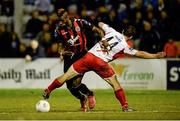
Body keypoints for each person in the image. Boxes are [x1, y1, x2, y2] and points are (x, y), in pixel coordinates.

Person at [43, 22, 166, 112]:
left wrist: (103, 34)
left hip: (88, 57)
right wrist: (155, 55)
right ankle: (125, 107)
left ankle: (48, 90)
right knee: (115, 84)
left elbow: (101, 23)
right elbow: (140, 53)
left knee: (66, 76)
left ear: (123, 31)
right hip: (101, 62)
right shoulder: (125, 46)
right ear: (131, 37)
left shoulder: (111, 31)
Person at [43, 8, 104, 112]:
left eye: (64, 19)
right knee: (70, 86)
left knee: (76, 83)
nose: (62, 22)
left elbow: (98, 30)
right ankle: (82, 98)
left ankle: (89, 94)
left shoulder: (80, 22)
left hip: (82, 56)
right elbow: (60, 46)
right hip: (69, 57)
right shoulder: (58, 30)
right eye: (60, 21)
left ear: (67, 17)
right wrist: (61, 52)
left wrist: (104, 41)